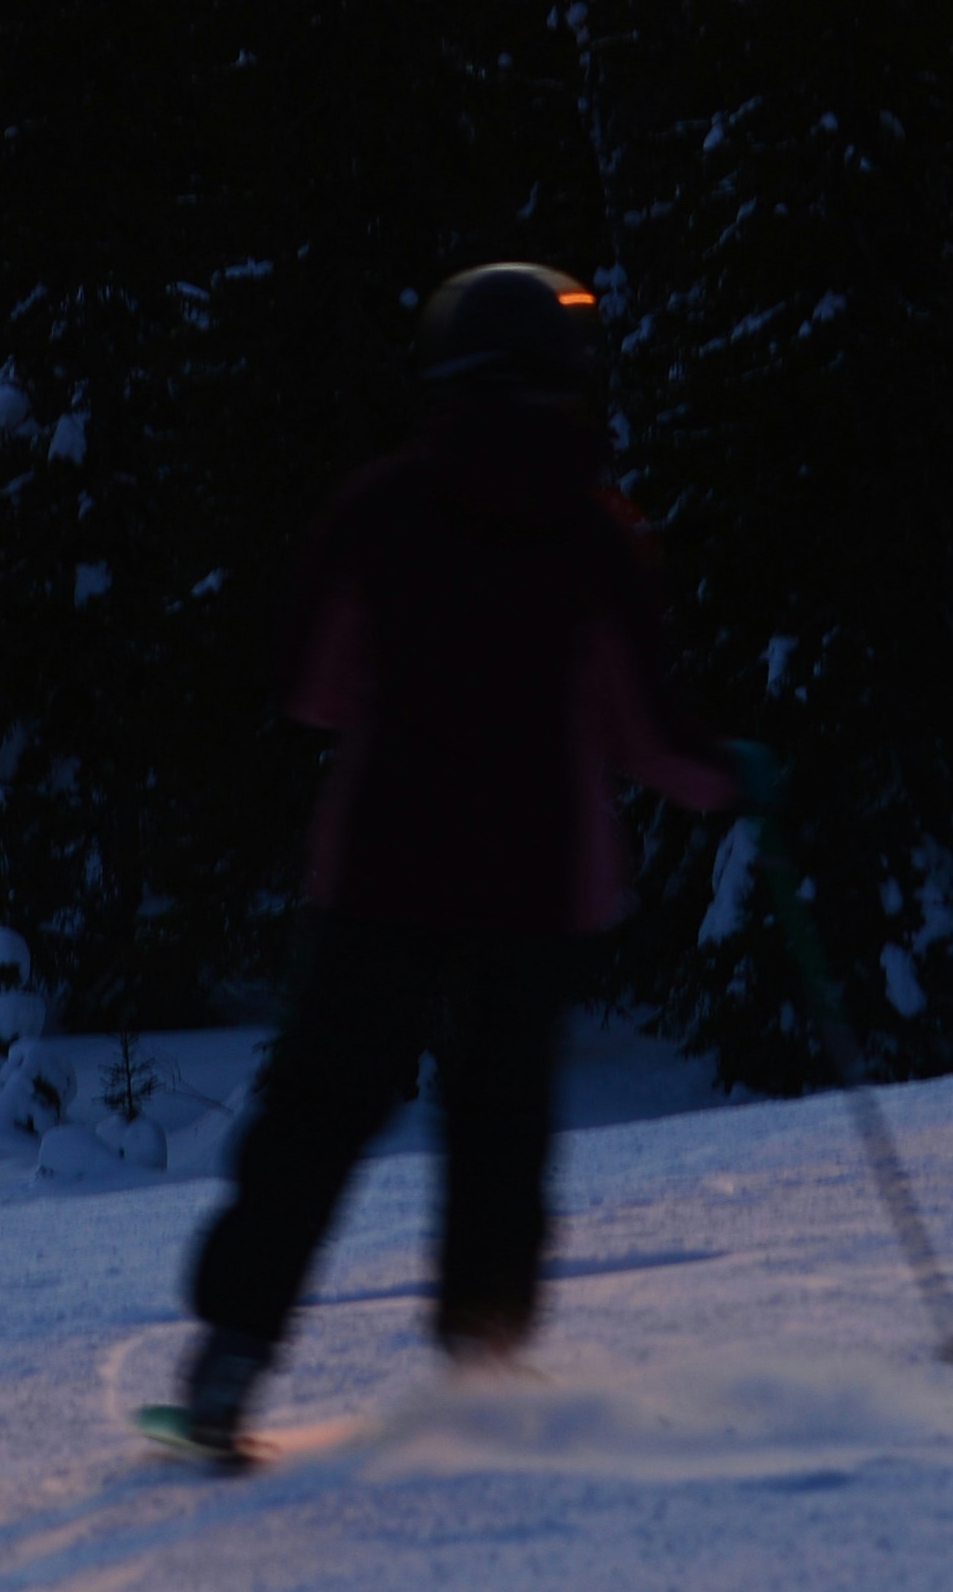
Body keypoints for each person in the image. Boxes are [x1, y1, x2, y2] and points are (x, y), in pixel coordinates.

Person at [150, 263, 737, 1465]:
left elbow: (311, 687)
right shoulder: (591, 527)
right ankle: (481, 1373)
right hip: (530, 881)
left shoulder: (380, 507)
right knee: (500, 1125)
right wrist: (737, 778)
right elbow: (645, 732)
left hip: (383, 868)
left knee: (319, 1109)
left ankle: (229, 1361)